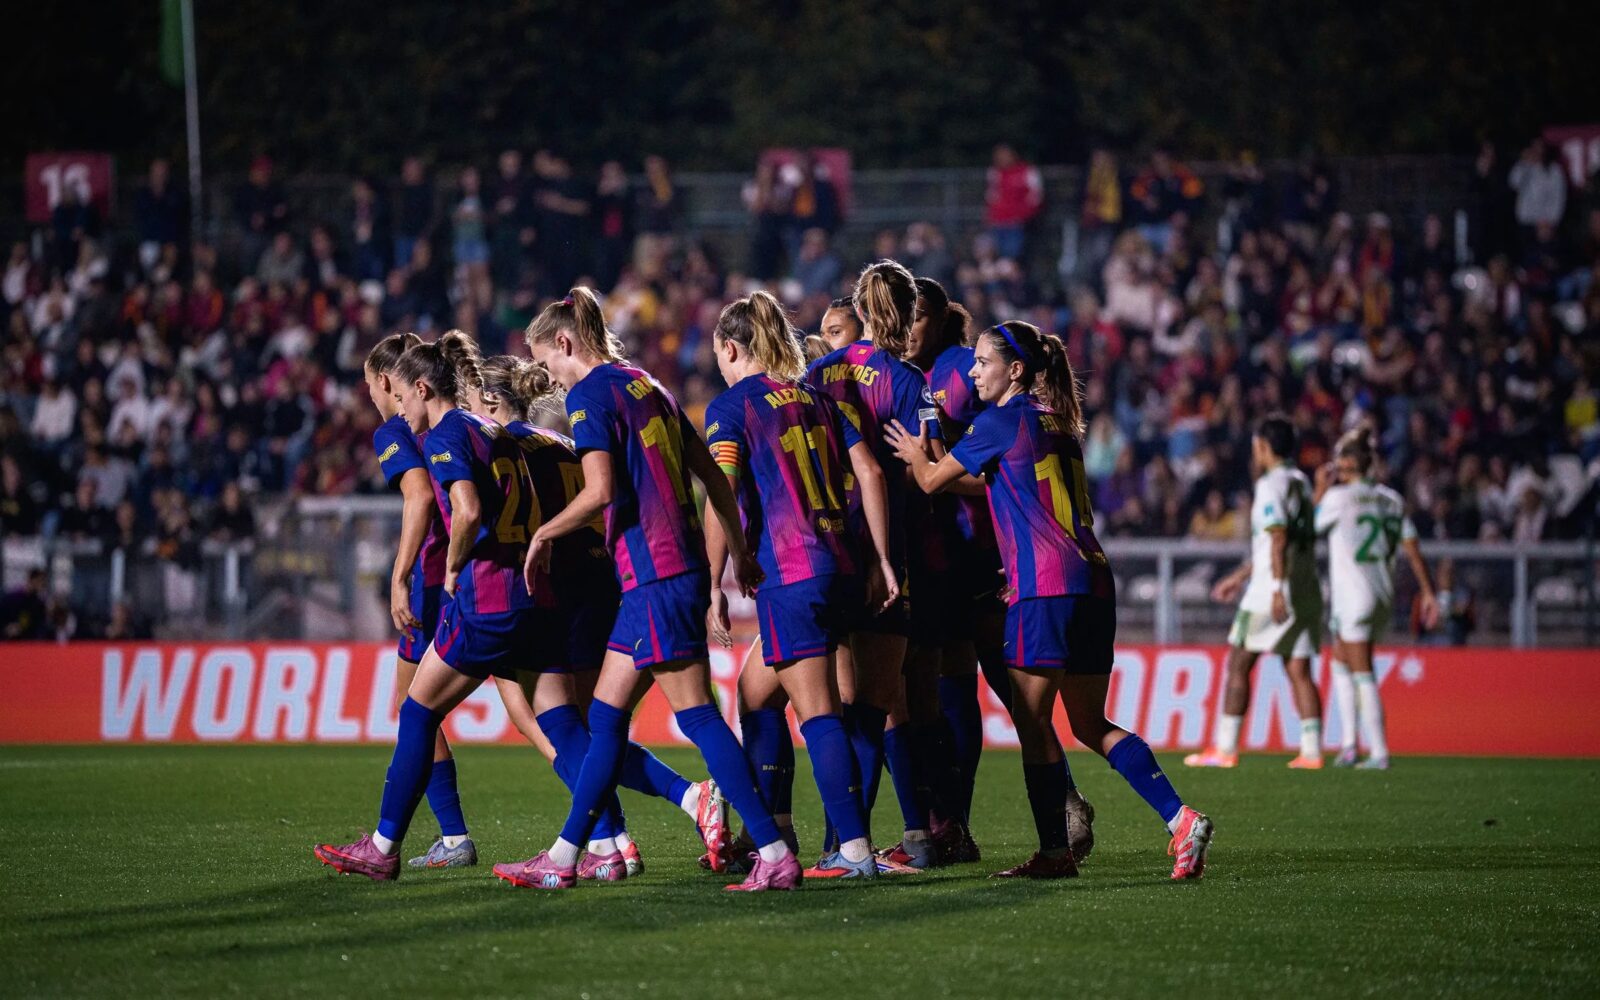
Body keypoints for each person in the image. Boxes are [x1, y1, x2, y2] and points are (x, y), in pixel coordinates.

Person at [885, 319, 1214, 880]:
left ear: (1015, 370)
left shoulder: (997, 420)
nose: (973, 371)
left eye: (984, 362)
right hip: (1093, 579)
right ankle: (1179, 817)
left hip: (1044, 587)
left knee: (1033, 721)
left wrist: (918, 449)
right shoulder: (1056, 423)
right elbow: (992, 482)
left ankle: (1055, 853)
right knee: (1088, 723)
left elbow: (934, 480)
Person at [498, 288, 799, 892]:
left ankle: (773, 850)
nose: (550, 378)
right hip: (662, 573)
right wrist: (736, 551)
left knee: (698, 717)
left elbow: (601, 492)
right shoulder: (649, 385)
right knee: (604, 718)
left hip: (654, 572)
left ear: (565, 343)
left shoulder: (588, 395)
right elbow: (713, 474)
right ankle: (568, 856)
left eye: (549, 361)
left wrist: (543, 535)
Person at [314, 332, 569, 880]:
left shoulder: (441, 432)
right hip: (528, 594)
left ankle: (388, 846)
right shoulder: (492, 428)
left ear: (419, 387)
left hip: (483, 595)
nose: (401, 412)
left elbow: (462, 507)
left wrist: (445, 569)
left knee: (417, 710)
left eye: (404, 398)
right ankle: (610, 836)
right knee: (554, 722)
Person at [473, 354, 729, 878]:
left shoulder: (502, 447)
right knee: (596, 726)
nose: (471, 414)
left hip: (546, 591)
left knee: (554, 727)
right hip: (602, 584)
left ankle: (613, 842)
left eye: (475, 404)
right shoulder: (564, 442)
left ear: (493, 402)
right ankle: (660, 815)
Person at [701, 290, 898, 879]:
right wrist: (879, 559)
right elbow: (869, 470)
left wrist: (715, 579)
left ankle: (854, 852)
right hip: (840, 561)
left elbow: (722, 495)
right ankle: (775, 833)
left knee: (818, 715)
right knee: (756, 694)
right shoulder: (817, 398)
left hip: (793, 571)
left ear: (730, 347)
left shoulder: (732, 407)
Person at [805, 260, 944, 869]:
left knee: (833, 698)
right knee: (884, 700)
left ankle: (842, 841)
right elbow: (933, 466)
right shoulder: (913, 382)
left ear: (859, 308)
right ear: (911, 310)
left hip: (827, 547)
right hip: (893, 551)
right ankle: (904, 834)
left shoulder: (819, 372)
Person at [359, 331, 474, 868]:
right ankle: (605, 833)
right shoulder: (453, 420)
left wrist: (399, 574)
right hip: (467, 577)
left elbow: (420, 495)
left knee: (414, 710)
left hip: (436, 582)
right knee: (541, 711)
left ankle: (448, 838)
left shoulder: (394, 430)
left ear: (384, 381)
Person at [1188, 415, 1326, 770]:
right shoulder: (1301, 482)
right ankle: (1311, 753)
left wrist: (1277, 589)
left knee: (1238, 663)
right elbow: (1281, 541)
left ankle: (1225, 748)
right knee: (1299, 668)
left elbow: (1277, 539)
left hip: (1271, 589)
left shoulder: (1270, 485)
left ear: (1263, 447)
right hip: (1306, 585)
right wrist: (1240, 575)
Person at [1315, 428, 1440, 770]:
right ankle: (1350, 745)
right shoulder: (1391, 499)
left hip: (1353, 594)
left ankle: (1380, 752)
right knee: (1341, 660)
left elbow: (1305, 529)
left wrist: (1320, 490)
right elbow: (1413, 549)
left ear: (1350, 463)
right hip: (1381, 593)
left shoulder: (1338, 499)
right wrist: (1428, 592)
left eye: (1340, 459)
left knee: (1361, 668)